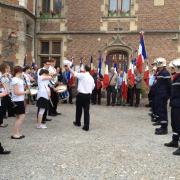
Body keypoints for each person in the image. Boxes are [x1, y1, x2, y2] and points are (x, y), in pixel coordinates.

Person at [68, 64, 95, 131]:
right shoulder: (91, 78)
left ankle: (78, 122)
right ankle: (86, 126)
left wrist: (69, 68)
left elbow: (74, 73)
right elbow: (93, 87)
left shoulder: (83, 75)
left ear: (85, 69)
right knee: (86, 111)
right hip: (88, 95)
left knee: (78, 109)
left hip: (81, 95)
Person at [164, 59, 180, 155]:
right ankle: (175, 141)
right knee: (174, 124)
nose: (172, 69)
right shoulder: (176, 77)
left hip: (179, 105)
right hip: (175, 104)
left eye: (173, 68)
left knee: (179, 124)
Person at [11, 66, 29, 139]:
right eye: (22, 71)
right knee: (21, 117)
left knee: (19, 117)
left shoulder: (19, 79)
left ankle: (17, 132)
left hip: (20, 100)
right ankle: (15, 134)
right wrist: (25, 92)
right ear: (19, 72)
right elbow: (16, 92)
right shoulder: (15, 80)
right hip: (17, 100)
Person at [154, 58, 171, 135]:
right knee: (161, 111)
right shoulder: (160, 72)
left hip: (163, 95)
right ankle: (162, 126)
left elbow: (169, 85)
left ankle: (164, 128)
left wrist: (168, 95)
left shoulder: (165, 73)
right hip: (159, 94)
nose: (157, 66)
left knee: (163, 111)